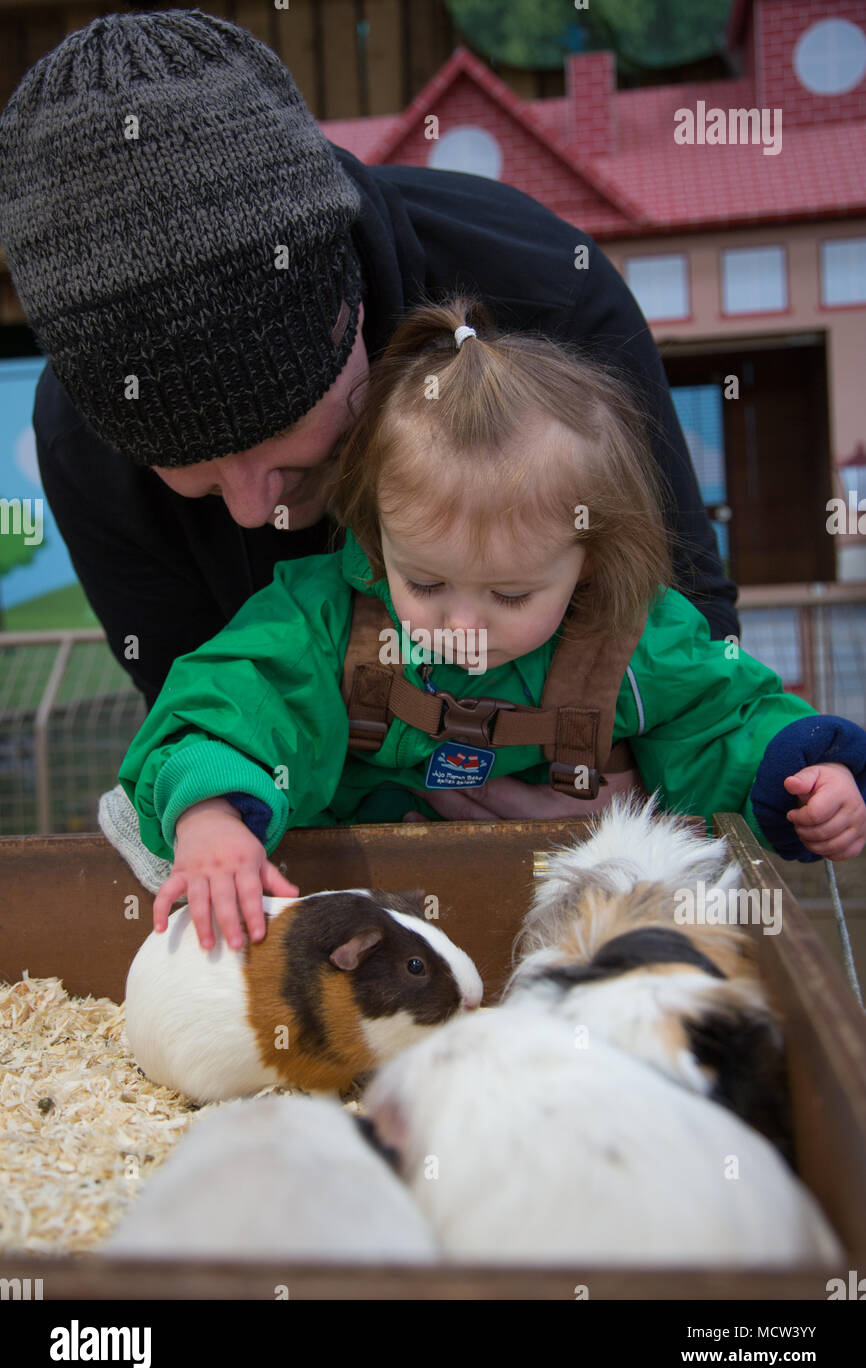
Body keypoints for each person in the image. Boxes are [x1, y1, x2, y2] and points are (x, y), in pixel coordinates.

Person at [0, 9, 737, 787]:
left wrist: (623, 798)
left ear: (347, 314)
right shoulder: (80, 434)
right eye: (199, 477)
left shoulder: (545, 291)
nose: (252, 511)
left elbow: (687, 619)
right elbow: (189, 700)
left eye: (279, 442)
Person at [115, 295, 866, 951]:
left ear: (590, 562)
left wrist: (800, 779)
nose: (462, 624)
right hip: (364, 927)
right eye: (428, 581)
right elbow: (237, 698)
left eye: (510, 595)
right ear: (378, 541)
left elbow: (720, 723)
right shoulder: (329, 620)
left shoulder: (627, 638)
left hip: (550, 918)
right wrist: (212, 812)